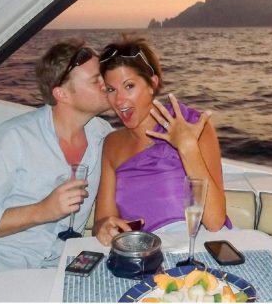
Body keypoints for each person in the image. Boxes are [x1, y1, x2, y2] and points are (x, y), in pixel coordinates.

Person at [0, 40, 112, 302]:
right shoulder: (11, 139)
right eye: (96, 80)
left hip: (54, 272)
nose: (105, 85)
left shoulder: (103, 136)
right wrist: (42, 211)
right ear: (62, 94)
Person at [93, 36, 229, 243]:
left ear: (152, 83)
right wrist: (104, 227)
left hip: (200, 244)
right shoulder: (112, 144)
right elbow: (101, 220)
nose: (119, 101)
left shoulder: (193, 125)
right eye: (111, 90)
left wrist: (187, 147)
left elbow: (214, 221)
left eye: (129, 86)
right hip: (143, 251)